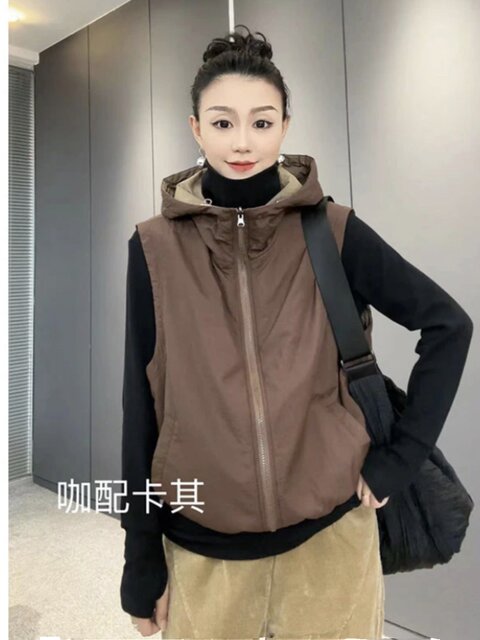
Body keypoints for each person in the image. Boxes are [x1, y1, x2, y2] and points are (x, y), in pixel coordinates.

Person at [119, 25, 473, 639]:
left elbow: (449, 325)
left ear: (284, 126)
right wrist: (140, 555)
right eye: (223, 122)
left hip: (331, 544)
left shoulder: (332, 230)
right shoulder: (153, 248)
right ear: (196, 128)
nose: (242, 141)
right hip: (203, 552)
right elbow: (140, 408)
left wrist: (399, 460)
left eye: (261, 121)